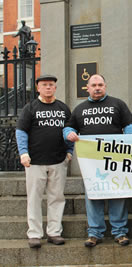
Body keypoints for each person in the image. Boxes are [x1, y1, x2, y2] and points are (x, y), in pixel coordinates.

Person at [63, 74, 132, 247]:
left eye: (100, 84)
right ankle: (94, 233)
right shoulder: (80, 109)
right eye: (94, 85)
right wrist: (69, 134)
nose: (97, 88)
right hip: (91, 163)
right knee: (93, 196)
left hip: (116, 159)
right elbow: (68, 127)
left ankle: (120, 232)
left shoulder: (118, 104)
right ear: (87, 88)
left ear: (105, 86)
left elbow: (130, 126)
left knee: (117, 194)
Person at [16, 74, 73, 248]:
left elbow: (69, 130)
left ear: (55, 87)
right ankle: (34, 234)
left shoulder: (63, 108)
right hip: (35, 162)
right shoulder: (30, 108)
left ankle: (54, 232)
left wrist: (69, 151)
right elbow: (21, 131)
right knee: (34, 198)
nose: (48, 87)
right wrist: (23, 153)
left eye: (51, 85)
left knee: (56, 197)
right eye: (44, 85)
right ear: (38, 88)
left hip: (58, 160)